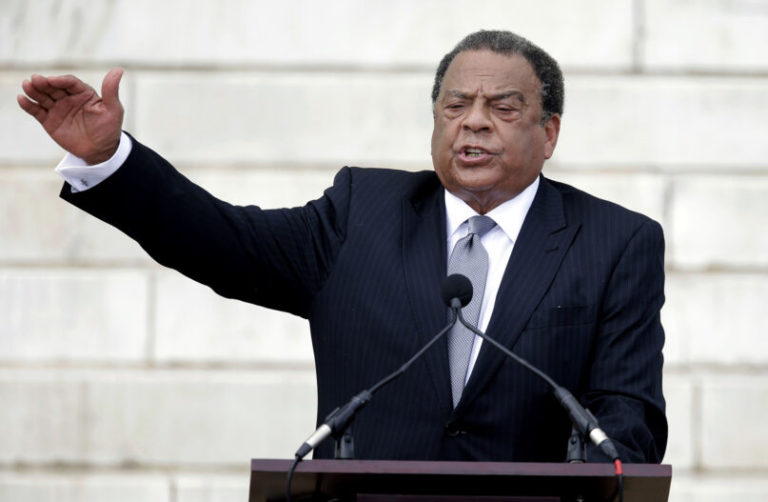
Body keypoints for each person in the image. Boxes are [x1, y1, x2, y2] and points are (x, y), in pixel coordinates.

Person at [18, 30, 667, 463]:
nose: (473, 121)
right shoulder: (363, 214)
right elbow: (223, 242)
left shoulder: (614, 241)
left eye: (501, 107)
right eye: (455, 106)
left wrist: (607, 478)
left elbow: (628, 415)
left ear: (548, 132)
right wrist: (111, 161)